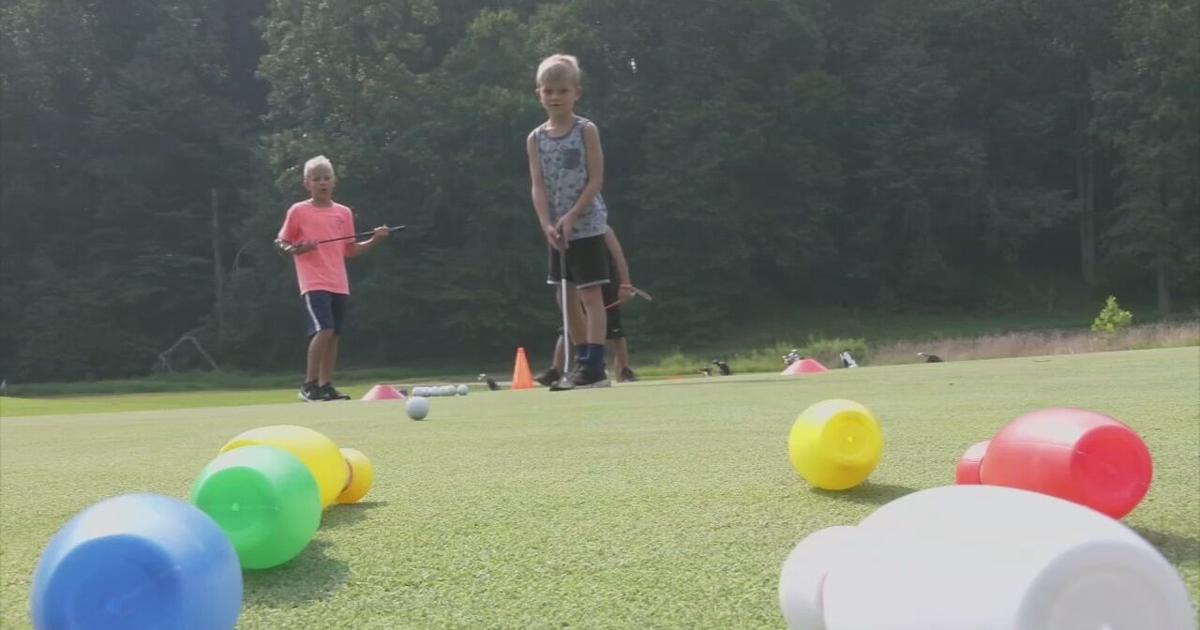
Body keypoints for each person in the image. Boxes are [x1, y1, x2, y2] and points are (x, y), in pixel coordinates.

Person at [527, 54, 614, 390]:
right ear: (539, 94)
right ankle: (581, 362)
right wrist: (546, 223)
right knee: (565, 296)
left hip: (587, 224)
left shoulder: (586, 130)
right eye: (548, 91)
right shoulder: (535, 138)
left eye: (562, 90)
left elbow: (595, 180)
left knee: (591, 294)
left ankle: (595, 365)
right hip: (556, 231)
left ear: (576, 92)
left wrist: (573, 214)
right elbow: (537, 184)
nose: (555, 97)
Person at [275, 155, 390, 401]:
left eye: (326, 178)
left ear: (334, 181)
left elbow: (349, 249)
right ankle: (309, 385)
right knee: (324, 329)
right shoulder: (298, 210)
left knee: (334, 334)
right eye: (316, 179)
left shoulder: (344, 213)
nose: (322, 183)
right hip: (314, 282)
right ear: (307, 183)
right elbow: (282, 242)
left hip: (339, 282)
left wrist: (375, 240)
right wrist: (299, 248)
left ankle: (326, 384)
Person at [535, 227, 639, 386]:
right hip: (578, 287)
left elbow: (619, 257)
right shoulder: (559, 229)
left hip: (603, 284)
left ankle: (623, 369)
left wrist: (625, 284)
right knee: (568, 328)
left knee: (614, 330)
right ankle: (557, 368)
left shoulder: (601, 228)